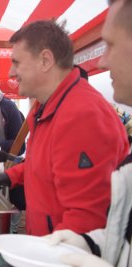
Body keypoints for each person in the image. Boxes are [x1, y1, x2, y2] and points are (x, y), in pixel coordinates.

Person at [0, 20, 129, 236]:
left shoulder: (82, 115)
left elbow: (86, 219)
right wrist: (12, 176)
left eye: (17, 62)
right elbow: (49, 165)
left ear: (45, 60)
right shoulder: (46, 105)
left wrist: (39, 253)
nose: (11, 72)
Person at [45, 0, 132, 266]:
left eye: (111, 44)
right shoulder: (46, 106)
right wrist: (89, 244)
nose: (103, 60)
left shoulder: (83, 111)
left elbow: (89, 202)